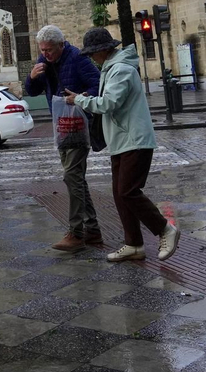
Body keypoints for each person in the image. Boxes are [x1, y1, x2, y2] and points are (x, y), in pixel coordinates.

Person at [65, 27, 180, 263]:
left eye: (92, 53)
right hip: (122, 141)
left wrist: (79, 99)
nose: (91, 58)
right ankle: (133, 244)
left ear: (104, 50)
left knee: (128, 191)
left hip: (134, 140)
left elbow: (109, 104)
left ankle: (165, 229)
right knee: (120, 194)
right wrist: (87, 98)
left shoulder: (121, 69)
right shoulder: (112, 69)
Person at [24, 24, 103, 252]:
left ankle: (77, 232)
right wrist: (32, 78)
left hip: (79, 125)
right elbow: (34, 91)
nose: (45, 54)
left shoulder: (77, 57)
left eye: (49, 50)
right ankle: (93, 229)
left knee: (71, 175)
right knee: (76, 177)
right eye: (42, 50)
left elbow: (98, 84)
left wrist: (80, 97)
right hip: (61, 126)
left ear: (61, 44)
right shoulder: (44, 60)